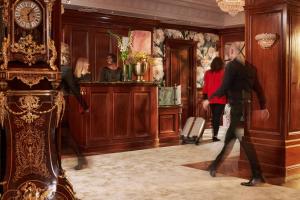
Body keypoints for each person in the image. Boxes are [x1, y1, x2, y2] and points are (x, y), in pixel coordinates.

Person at [203, 48, 270, 186]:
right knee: (230, 138)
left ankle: (257, 175)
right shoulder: (251, 68)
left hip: (237, 110)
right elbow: (258, 89)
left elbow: (224, 87)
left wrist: (209, 99)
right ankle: (214, 166)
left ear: (234, 52)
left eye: (230, 52)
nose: (229, 55)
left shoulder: (231, 66)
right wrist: (263, 107)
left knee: (245, 141)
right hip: (246, 109)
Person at [61, 56, 91, 170]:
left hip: (60, 104)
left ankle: (81, 158)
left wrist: (84, 105)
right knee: (65, 133)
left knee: (66, 133)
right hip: (56, 104)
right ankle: (81, 158)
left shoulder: (65, 69)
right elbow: (73, 88)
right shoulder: (63, 69)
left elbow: (74, 89)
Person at [202, 57, 227, 142]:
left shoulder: (207, 73)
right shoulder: (224, 73)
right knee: (217, 117)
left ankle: (214, 135)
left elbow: (205, 87)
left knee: (214, 117)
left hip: (210, 99)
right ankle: (215, 136)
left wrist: (204, 99)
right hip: (221, 98)